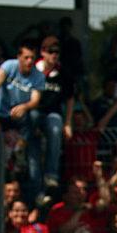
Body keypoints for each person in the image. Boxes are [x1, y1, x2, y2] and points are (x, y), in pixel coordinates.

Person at [0, 40, 45, 203]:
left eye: (32, 58)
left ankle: (20, 151)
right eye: (26, 57)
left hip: (20, 118)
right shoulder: (9, 66)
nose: (29, 61)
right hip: (1, 115)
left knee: (34, 116)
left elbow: (35, 100)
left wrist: (25, 106)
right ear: (19, 57)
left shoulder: (38, 75)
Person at [34, 36, 75, 193]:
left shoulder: (63, 73)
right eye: (51, 51)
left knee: (56, 128)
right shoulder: (33, 70)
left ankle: (51, 175)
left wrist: (68, 123)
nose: (54, 55)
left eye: (57, 52)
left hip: (53, 114)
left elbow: (70, 98)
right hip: (34, 112)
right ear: (43, 52)